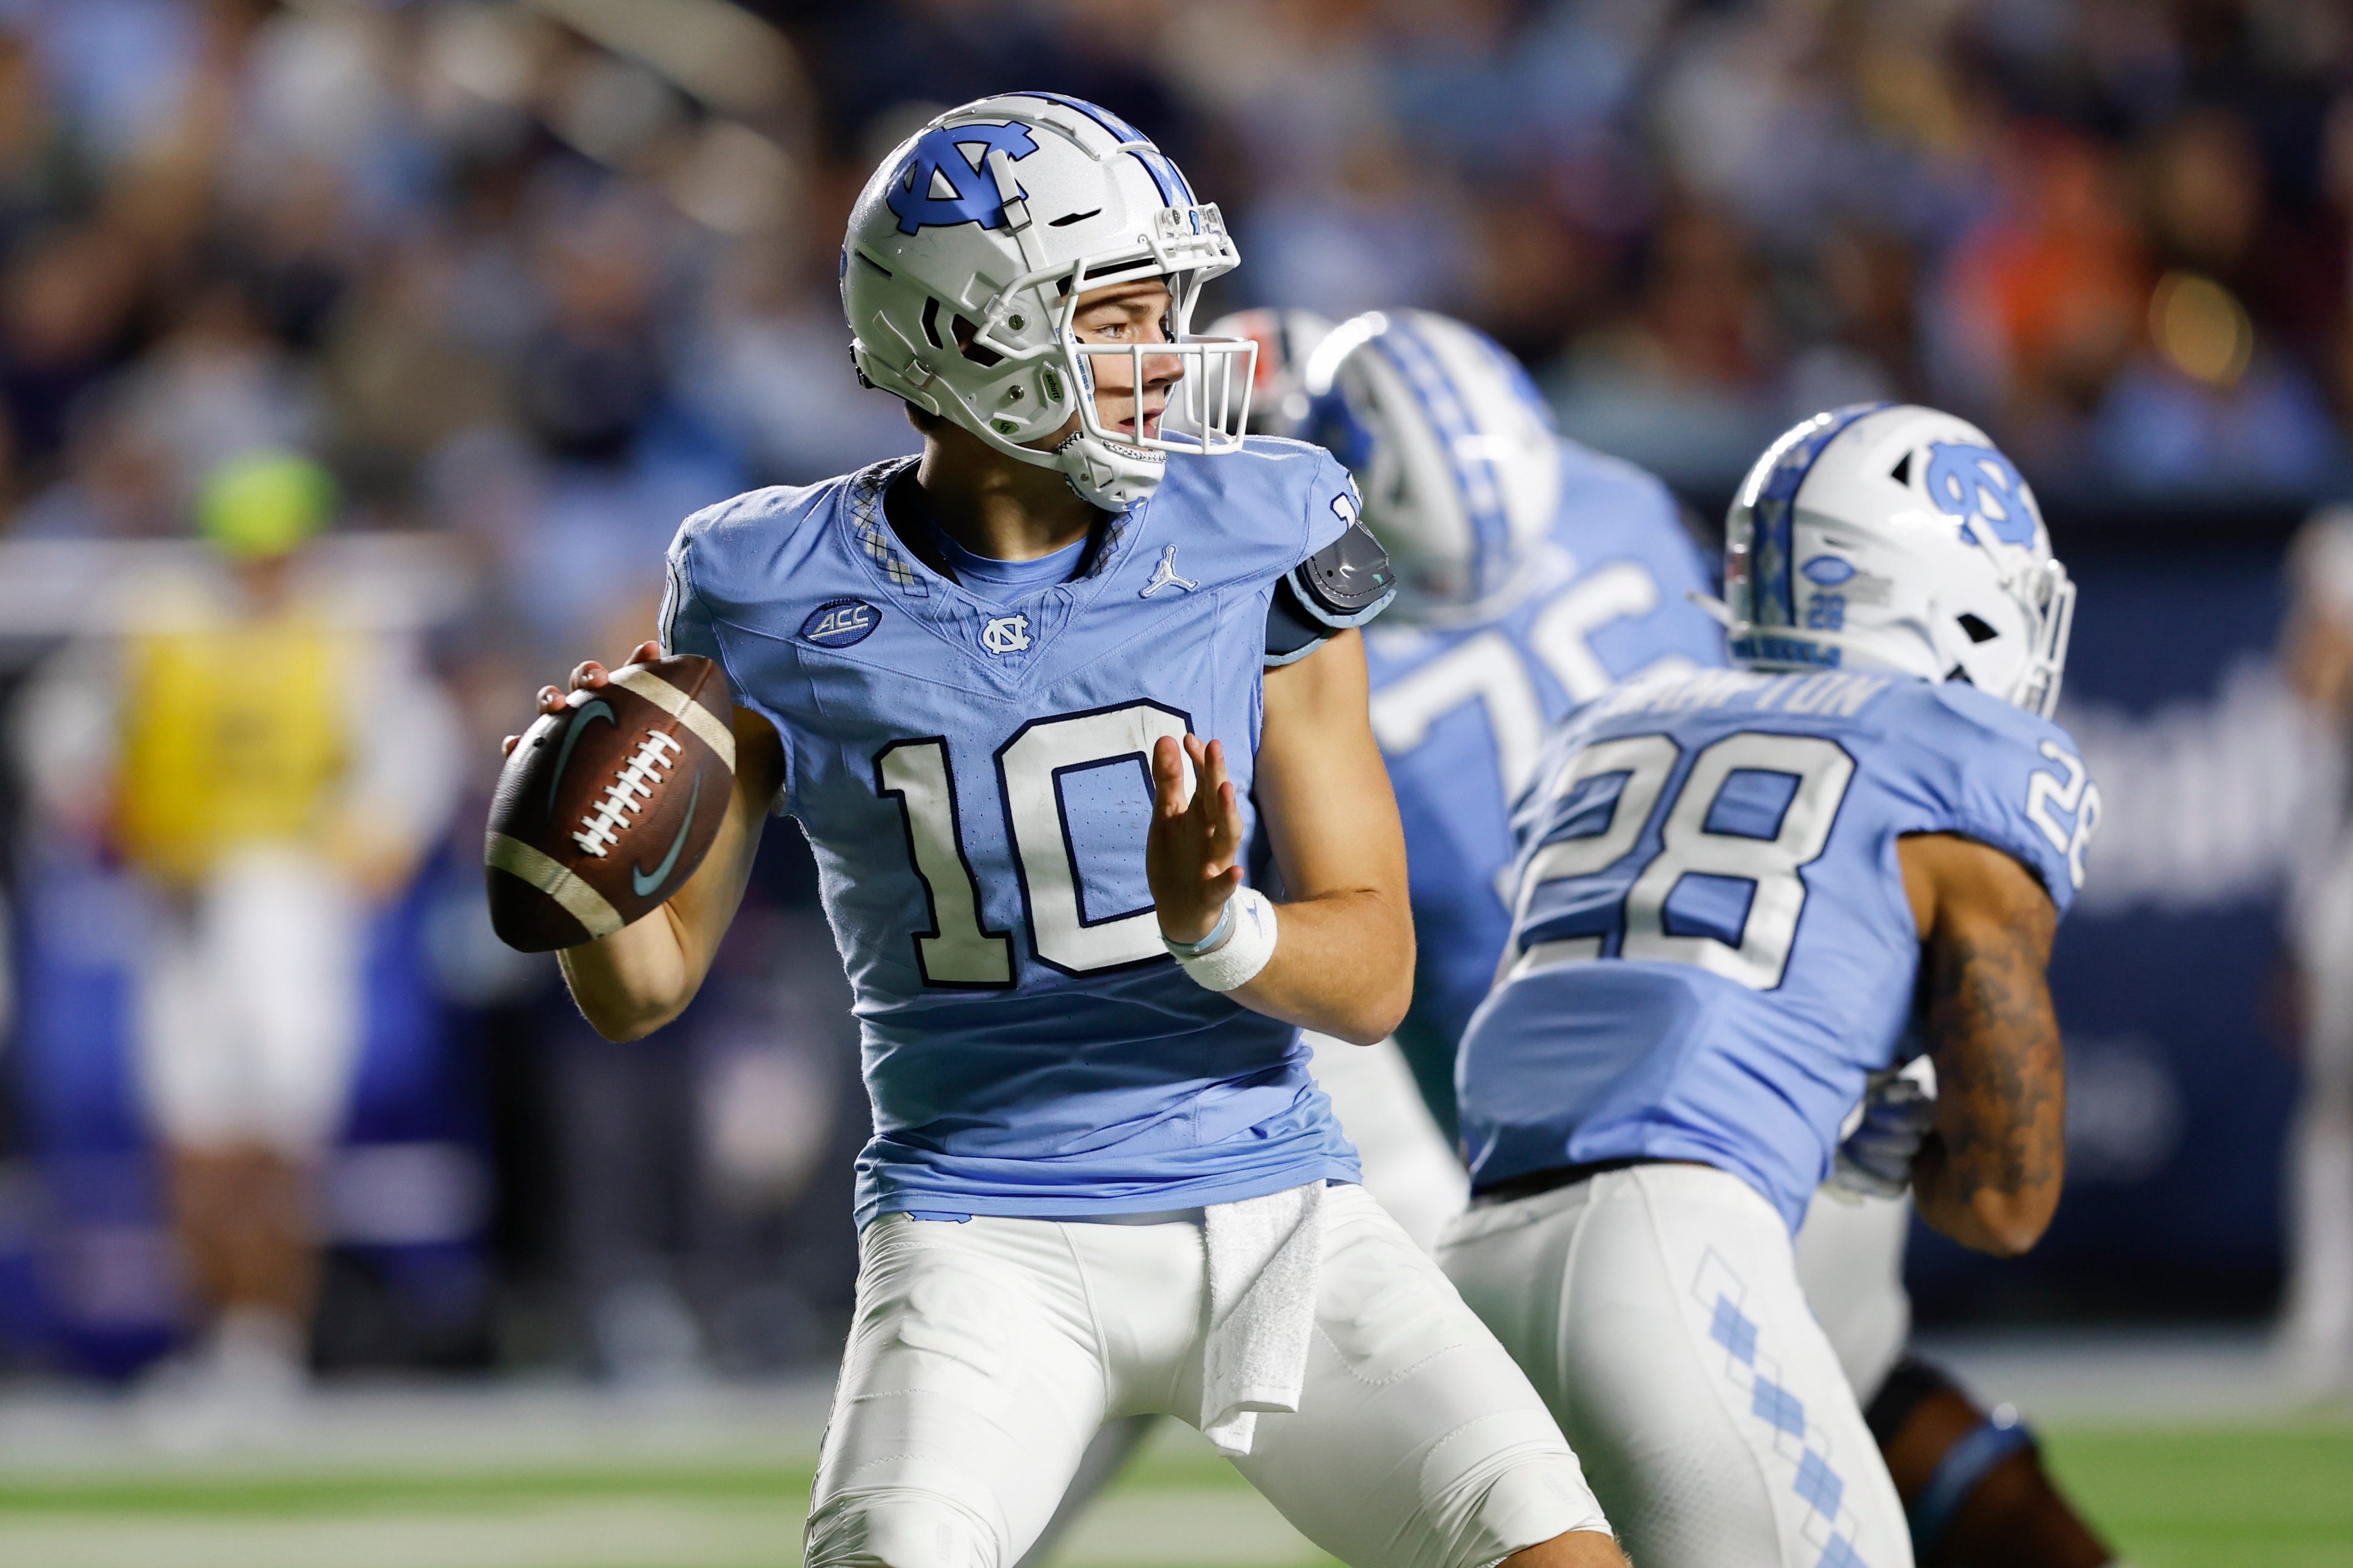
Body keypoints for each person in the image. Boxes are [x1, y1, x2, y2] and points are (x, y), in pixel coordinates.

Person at [520, 94, 1623, 1568]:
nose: (1168, 357)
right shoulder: (761, 580)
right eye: (1117, 315)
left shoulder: (1265, 525)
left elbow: (1370, 978)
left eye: (1168, 310)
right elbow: (646, 988)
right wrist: (576, 877)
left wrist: (1220, 924)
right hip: (982, 1237)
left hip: (1276, 1213)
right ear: (970, 332)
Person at [1437, 404, 2101, 1568]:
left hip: (1466, 1269)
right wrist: (1919, 1137)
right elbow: (2006, 1199)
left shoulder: (1606, 726)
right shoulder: (1963, 763)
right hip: (1670, 1265)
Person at [22, 450, 460, 1440]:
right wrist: (97, 815)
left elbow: (409, 752)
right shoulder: (156, 620)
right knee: (192, 1139)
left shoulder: (348, 627)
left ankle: (266, 1343)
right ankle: (210, 1342)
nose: (265, 571)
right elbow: (66, 736)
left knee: (281, 1137)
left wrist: (368, 847)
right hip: (180, 897)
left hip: (290, 898)